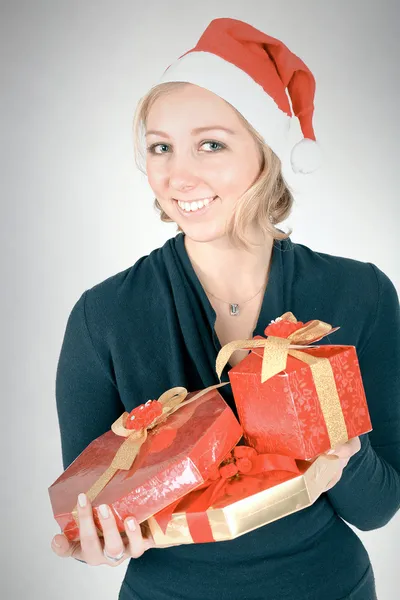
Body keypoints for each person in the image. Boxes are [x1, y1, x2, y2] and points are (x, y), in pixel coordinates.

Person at [51, 17, 399, 600]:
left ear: (265, 155)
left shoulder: (357, 293)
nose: (176, 174)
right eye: (160, 147)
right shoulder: (103, 316)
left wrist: (341, 447)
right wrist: (97, 541)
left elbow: (380, 507)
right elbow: (90, 514)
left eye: (210, 144)